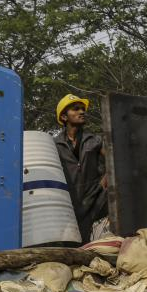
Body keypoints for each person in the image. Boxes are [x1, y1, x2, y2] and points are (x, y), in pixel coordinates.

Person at [54, 94, 108, 243]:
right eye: (76, 109)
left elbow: (114, 161)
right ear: (64, 117)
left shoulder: (95, 140)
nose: (82, 112)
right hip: (70, 204)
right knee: (74, 244)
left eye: (83, 109)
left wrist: (106, 179)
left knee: (99, 241)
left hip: (96, 198)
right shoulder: (54, 144)